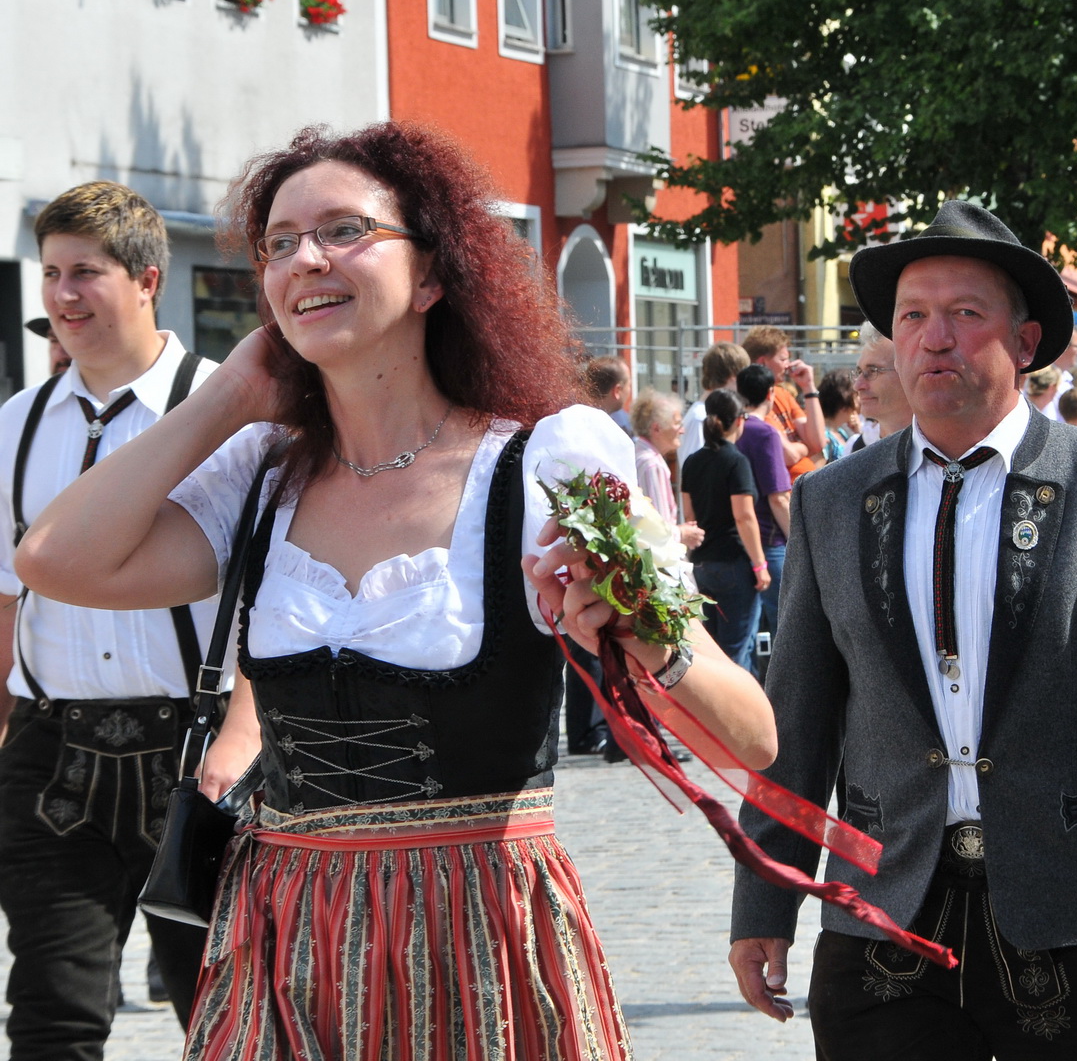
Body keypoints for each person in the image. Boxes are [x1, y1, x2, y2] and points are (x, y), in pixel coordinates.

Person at [13, 122, 775, 1058]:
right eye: (280, 244)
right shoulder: (261, 473)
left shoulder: (547, 463)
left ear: (431, 275)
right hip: (285, 943)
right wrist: (230, 395)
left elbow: (749, 738)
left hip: (483, 938)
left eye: (343, 231)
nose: (306, 259)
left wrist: (639, 628)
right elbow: (54, 557)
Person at [729, 200, 1077, 1060]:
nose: (933, 338)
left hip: (1075, 911)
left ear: (1023, 342)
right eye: (912, 316)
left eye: (964, 314)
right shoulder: (833, 501)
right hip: (885, 910)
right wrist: (764, 900)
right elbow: (797, 722)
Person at [0, 181, 216, 1057]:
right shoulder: (16, 424)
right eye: (51, 273)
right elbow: (4, 597)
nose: (61, 296)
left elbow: (270, 606)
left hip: (196, 754)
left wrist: (240, 747)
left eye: (84, 272)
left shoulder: (221, 412)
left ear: (146, 278)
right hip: (53, 755)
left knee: (227, 1012)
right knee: (51, 1015)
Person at [681, 390, 770, 673]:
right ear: (739, 421)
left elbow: (691, 517)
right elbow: (744, 517)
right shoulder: (736, 461)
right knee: (736, 654)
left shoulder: (692, 461)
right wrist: (760, 565)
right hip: (733, 563)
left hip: (703, 564)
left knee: (711, 654)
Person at [734, 365, 793, 650]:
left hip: (736, 540)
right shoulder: (765, 434)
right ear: (771, 393)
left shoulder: (731, 428)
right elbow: (778, 497)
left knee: (745, 636)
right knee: (784, 631)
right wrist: (798, 541)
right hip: (770, 542)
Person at [742, 325, 821, 481]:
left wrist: (808, 387)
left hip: (803, 490)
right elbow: (788, 455)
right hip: (784, 495)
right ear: (762, 362)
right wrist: (804, 446)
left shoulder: (782, 394)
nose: (788, 365)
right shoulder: (751, 401)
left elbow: (817, 442)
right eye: (783, 359)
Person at [630, 388, 703, 550]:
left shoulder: (640, 454)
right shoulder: (652, 464)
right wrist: (682, 533)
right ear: (656, 429)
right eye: (677, 423)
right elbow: (657, 529)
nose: (682, 430)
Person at [678, 342, 750, 485]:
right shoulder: (700, 417)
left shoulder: (709, 412)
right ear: (732, 376)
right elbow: (695, 473)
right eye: (743, 375)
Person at [848, 323, 910, 452]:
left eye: (872, 371)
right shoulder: (855, 450)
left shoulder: (949, 452)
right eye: (859, 372)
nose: (858, 386)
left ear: (909, 373)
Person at [587, 353, 634, 434]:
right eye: (629, 385)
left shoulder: (571, 417)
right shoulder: (613, 433)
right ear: (617, 390)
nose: (630, 390)